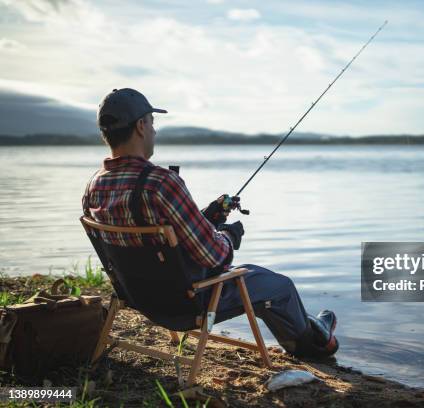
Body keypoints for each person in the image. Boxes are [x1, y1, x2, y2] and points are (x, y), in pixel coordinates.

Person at [82, 88, 338, 358]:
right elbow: (214, 255)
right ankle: (313, 344)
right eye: (152, 123)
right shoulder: (160, 183)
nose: (155, 132)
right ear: (141, 126)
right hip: (187, 304)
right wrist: (228, 235)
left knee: (263, 286)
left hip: (138, 298)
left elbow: (151, 235)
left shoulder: (93, 187)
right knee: (278, 286)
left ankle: (312, 327)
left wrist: (206, 218)